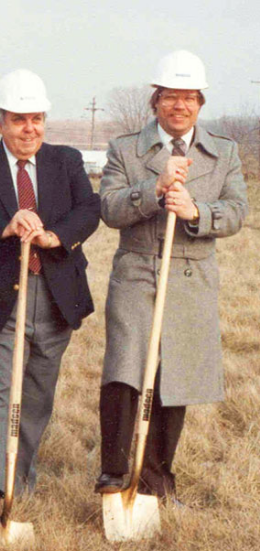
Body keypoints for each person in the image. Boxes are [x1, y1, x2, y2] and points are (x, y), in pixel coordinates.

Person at [0, 70, 101, 528]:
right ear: (0, 123)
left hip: (54, 295)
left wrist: (57, 236)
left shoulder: (66, 161)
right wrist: (5, 227)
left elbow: (88, 209)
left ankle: (19, 475)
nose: (29, 128)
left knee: (36, 392)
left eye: (36, 118)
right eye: (18, 119)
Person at [96, 50, 248, 501]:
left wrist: (198, 211)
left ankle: (157, 480)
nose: (179, 106)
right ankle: (114, 474)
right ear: (155, 101)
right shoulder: (126, 149)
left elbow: (239, 211)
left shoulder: (224, 153)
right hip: (137, 272)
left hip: (191, 278)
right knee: (126, 368)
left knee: (173, 378)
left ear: (200, 103)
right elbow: (109, 208)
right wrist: (154, 189)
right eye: (170, 97)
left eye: (188, 98)